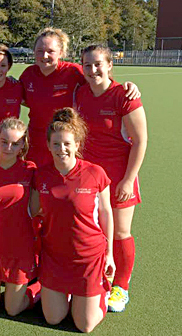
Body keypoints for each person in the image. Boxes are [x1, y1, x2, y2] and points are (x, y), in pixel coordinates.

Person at [75, 45, 147, 313]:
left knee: (119, 232)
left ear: (109, 66)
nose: (93, 70)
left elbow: (140, 141)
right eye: (87, 65)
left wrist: (129, 180)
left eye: (98, 64)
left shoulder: (124, 95)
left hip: (119, 174)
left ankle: (121, 287)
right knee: (94, 229)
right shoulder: (80, 92)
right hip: (89, 176)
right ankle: (98, 278)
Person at [30, 108, 115, 333]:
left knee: (84, 325)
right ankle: (57, 291)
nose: (61, 149)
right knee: (53, 319)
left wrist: (110, 254)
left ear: (77, 144)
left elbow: (106, 213)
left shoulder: (95, 173)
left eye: (67, 143)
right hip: (55, 257)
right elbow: (33, 210)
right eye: (56, 144)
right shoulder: (41, 175)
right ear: (48, 145)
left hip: (88, 257)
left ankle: (102, 292)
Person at [19, 27, 140, 167]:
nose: (44, 55)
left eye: (50, 51)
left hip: (65, 145)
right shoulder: (28, 74)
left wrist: (125, 86)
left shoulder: (73, 72)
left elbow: (100, 82)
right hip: (36, 143)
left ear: (61, 52)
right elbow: (21, 99)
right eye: (39, 51)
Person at [0, 117, 40, 315]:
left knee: (12, 310)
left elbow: (35, 210)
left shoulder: (30, 170)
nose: (9, 147)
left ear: (23, 145)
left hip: (19, 247)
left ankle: (39, 287)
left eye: (15, 143)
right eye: (4, 141)